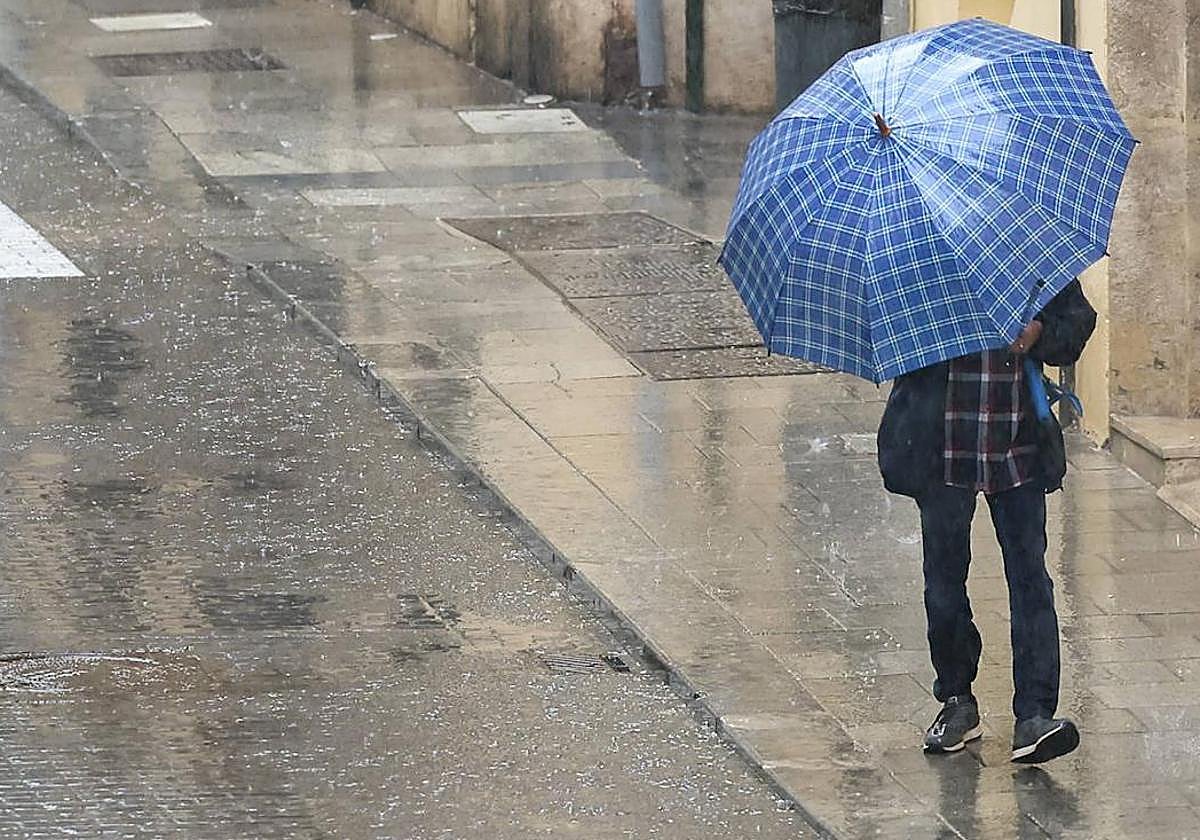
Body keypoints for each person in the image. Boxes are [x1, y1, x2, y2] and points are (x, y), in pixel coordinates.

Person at [876, 280, 1097, 764]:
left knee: (1030, 578)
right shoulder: (915, 254)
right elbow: (889, 339)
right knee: (943, 581)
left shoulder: (1026, 249)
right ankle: (957, 700)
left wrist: (1039, 332)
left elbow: (1078, 320)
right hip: (941, 445)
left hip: (1017, 443)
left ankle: (1035, 714)